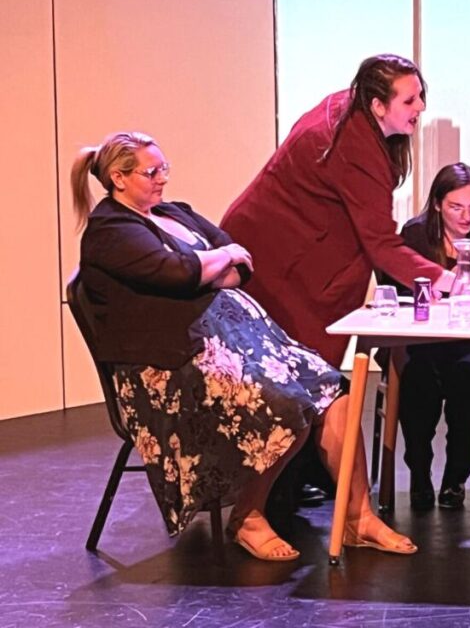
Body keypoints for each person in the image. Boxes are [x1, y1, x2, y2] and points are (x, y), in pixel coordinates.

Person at [71, 131, 417, 562]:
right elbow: (179, 272)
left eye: (164, 169)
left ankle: (358, 518)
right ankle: (248, 516)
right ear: (119, 178)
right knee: (286, 404)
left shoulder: (174, 213)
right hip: (171, 364)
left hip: (238, 344)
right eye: (151, 171)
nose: (162, 179)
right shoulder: (110, 231)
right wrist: (215, 262)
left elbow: (240, 262)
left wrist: (209, 267)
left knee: (334, 390)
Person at [221, 54, 450, 367]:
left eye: (420, 96)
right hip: (274, 253)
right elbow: (381, 243)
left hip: (288, 241)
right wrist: (449, 281)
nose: (421, 107)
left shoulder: (352, 106)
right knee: (290, 362)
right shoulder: (354, 146)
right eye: (410, 100)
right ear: (378, 105)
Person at [382, 163, 470, 510]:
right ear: (437, 204)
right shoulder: (416, 233)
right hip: (426, 342)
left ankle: (456, 474)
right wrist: (428, 293)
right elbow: (393, 291)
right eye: (456, 207)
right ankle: (419, 469)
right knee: (417, 377)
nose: (467, 216)